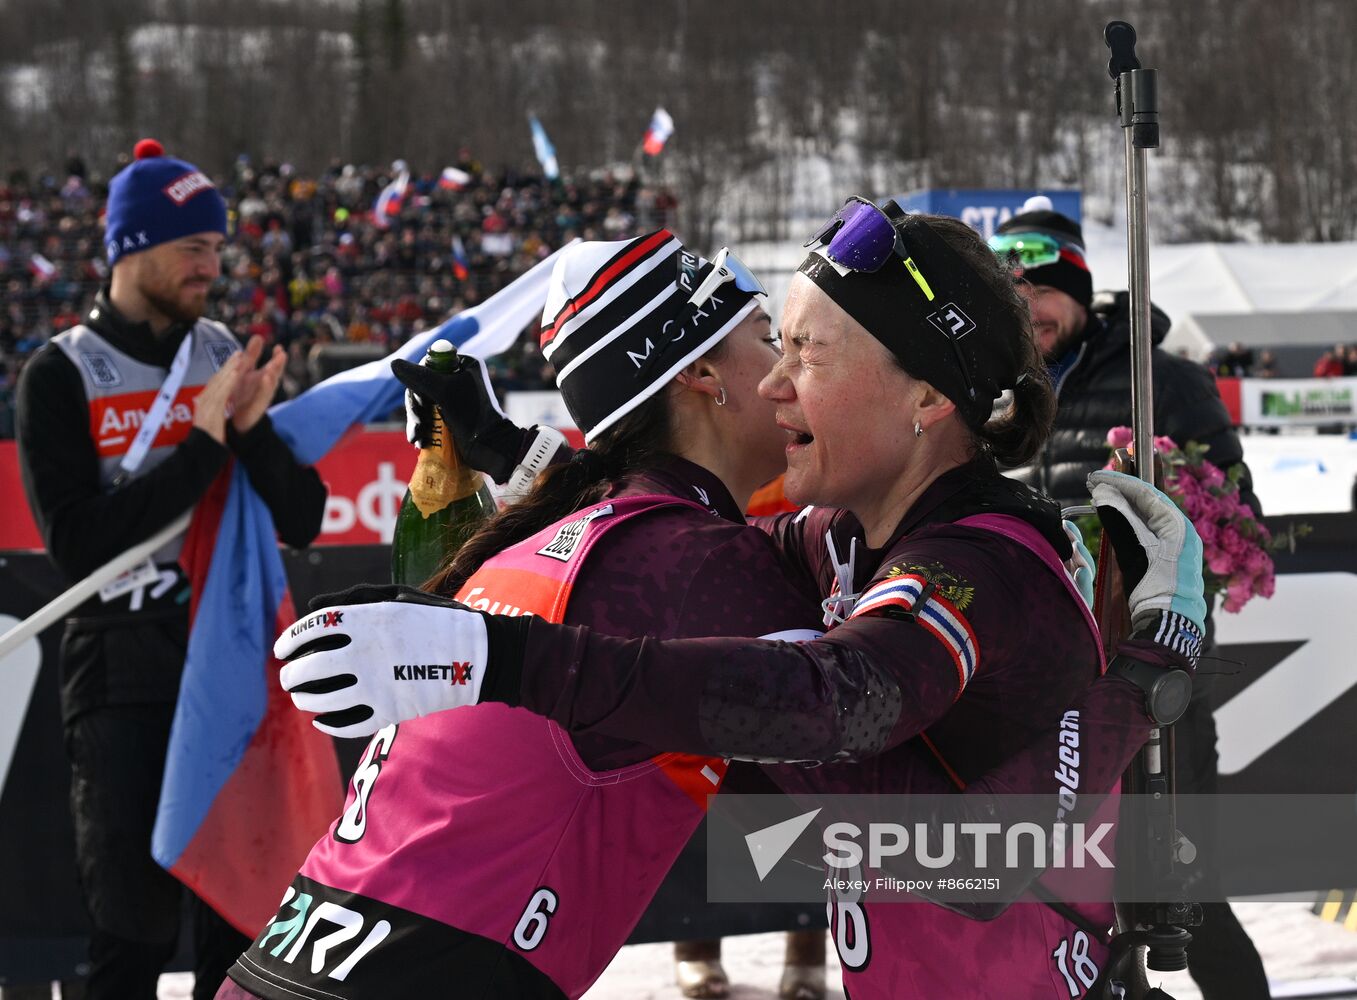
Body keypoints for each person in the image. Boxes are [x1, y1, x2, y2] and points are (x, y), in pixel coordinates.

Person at [273, 201, 1206, 998]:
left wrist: (1153, 667)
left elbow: (951, 827)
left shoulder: (987, 560)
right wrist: (523, 459)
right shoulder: (837, 539)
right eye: (775, 343)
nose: (773, 381)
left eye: (804, 351)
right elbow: (669, 553)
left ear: (924, 397)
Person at [219, 233, 833, 1000]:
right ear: (702, 374)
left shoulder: (567, 535)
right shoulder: (700, 562)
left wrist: (516, 449)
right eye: (767, 340)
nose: (786, 377)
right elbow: (885, 817)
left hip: (300, 960)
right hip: (419, 975)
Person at [14, 139, 327, 1000]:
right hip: (118, 668)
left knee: (240, 928)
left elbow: (303, 518)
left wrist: (252, 433)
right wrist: (202, 444)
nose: (212, 265)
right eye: (194, 246)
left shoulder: (223, 352)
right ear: (133, 247)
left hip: (227, 663)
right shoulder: (61, 372)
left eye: (220, 248)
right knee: (131, 929)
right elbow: (78, 545)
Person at [988, 198, 1269, 1000]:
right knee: (1073, 902)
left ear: (1078, 292)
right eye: (1009, 298)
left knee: (1185, 888)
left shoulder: (1165, 380)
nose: (1027, 312)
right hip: (1045, 690)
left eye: (1039, 292)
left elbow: (1239, 520)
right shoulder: (990, 398)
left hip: (1157, 683)